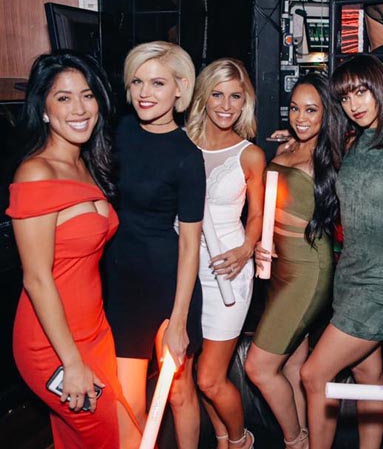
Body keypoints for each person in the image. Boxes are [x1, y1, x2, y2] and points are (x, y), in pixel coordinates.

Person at [7, 51, 141, 448]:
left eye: (87, 95)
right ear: (43, 109)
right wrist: (71, 362)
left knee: (111, 432)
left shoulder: (85, 162)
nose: (80, 109)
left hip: (94, 330)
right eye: (63, 98)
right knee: (110, 436)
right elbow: (36, 277)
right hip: (50, 342)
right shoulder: (36, 172)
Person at [298, 54, 383, 449]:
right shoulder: (352, 140)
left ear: (382, 87)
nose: (354, 104)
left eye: (362, 91)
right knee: (369, 377)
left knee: (314, 375)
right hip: (349, 275)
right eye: (346, 96)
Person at [103, 41, 204, 449]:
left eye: (157, 83)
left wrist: (179, 320)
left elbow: (190, 245)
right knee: (128, 401)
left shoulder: (187, 157)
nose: (145, 92)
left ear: (180, 90)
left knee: (178, 393)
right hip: (121, 283)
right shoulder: (117, 133)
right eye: (138, 81)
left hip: (167, 285)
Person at [245, 72, 340, 449]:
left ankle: (295, 440)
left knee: (258, 367)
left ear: (327, 114)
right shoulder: (286, 148)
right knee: (292, 367)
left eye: (312, 110)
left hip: (307, 271)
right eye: (296, 109)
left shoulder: (333, 155)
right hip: (277, 267)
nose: (301, 118)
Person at [186, 58, 264, 449]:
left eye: (235, 96)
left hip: (227, 273)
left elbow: (258, 218)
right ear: (204, 95)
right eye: (217, 93)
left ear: (245, 101)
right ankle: (220, 438)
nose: (226, 104)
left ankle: (241, 440)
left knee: (209, 378)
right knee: (198, 371)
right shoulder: (182, 143)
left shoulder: (249, 154)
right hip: (184, 271)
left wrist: (245, 251)